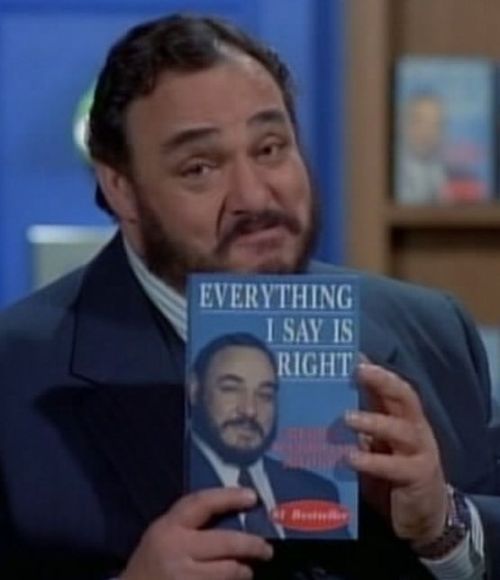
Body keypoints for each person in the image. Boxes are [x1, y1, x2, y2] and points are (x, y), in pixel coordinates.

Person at [0, 13, 498, 580]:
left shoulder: (434, 333)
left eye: (269, 148)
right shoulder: (15, 374)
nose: (255, 197)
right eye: (199, 167)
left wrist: (445, 528)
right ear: (122, 190)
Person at [188, 332, 349, 540]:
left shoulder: (316, 493)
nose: (249, 410)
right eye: (230, 389)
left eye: (265, 395)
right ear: (195, 390)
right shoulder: (170, 482)